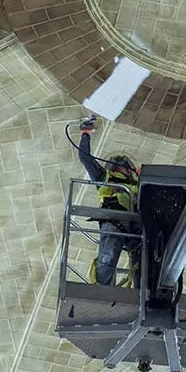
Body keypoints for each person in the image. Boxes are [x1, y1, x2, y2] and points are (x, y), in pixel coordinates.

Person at [75, 116, 141, 287]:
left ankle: (143, 291)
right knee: (108, 258)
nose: (123, 167)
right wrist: (85, 134)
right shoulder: (105, 178)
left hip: (136, 226)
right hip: (114, 220)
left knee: (142, 262)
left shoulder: (139, 183)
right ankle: (103, 292)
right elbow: (85, 158)